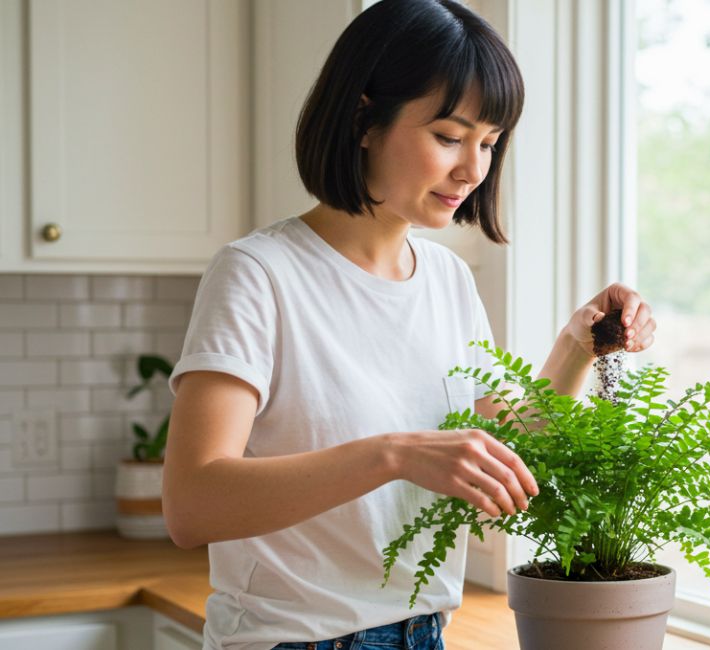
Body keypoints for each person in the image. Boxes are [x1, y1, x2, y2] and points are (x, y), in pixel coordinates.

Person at [161, 1, 657, 648]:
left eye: (489, 143)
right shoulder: (259, 274)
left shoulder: (447, 280)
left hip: (424, 634)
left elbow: (512, 456)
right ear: (364, 121)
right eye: (449, 137)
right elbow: (192, 505)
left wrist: (577, 345)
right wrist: (392, 455)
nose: (473, 169)